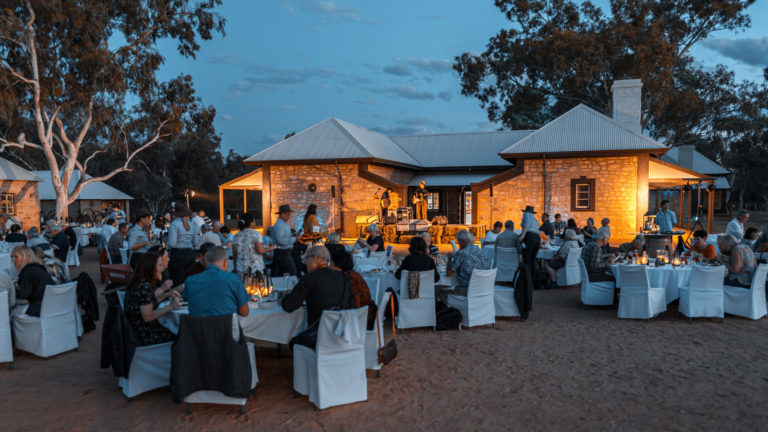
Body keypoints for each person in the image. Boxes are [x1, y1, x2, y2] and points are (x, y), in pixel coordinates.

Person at [281, 246, 352, 348]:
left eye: (307, 258)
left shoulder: (310, 278)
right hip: (343, 335)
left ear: (316, 259)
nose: (305, 262)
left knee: (294, 343)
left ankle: (310, 363)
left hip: (318, 337)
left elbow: (288, 305)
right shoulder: (344, 277)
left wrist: (286, 295)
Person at [123, 253, 179, 346]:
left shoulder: (138, 281)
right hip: (145, 335)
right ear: (150, 268)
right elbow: (148, 317)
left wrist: (168, 294)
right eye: (160, 265)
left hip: (135, 330)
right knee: (180, 334)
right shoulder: (144, 286)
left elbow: (147, 301)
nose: (163, 267)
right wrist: (170, 306)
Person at [183, 247, 250, 317]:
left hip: (197, 327)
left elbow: (187, 299)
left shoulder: (190, 281)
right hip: (226, 326)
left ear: (206, 262)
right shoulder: (233, 279)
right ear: (225, 262)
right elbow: (244, 312)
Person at [330, 249, 376, 329]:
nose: (330, 267)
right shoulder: (354, 274)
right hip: (366, 314)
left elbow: (348, 304)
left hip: (358, 320)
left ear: (338, 265)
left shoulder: (345, 278)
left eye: (331, 264)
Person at [444, 230, 492, 300]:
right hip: (484, 289)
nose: (459, 244)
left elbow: (449, 273)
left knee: (442, 291)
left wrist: (449, 259)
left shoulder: (461, 253)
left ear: (461, 241)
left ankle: (455, 310)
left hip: (468, 290)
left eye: (458, 242)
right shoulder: (482, 251)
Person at [12, 246, 54, 317]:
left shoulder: (28, 271)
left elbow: (23, 295)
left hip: (40, 309)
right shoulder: (39, 268)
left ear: (25, 257)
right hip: (51, 306)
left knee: (12, 312)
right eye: (12, 257)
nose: (13, 260)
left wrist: (14, 287)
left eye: (16, 257)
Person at [167, 204, 199, 287]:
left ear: (175, 213)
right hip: (190, 253)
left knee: (177, 281)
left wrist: (166, 245)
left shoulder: (174, 224)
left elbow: (172, 243)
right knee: (189, 281)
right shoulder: (192, 224)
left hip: (178, 255)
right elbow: (196, 242)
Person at [233, 213, 273, 280]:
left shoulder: (236, 235)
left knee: (243, 288)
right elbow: (260, 250)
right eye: (254, 221)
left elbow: (235, 254)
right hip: (254, 268)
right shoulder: (256, 234)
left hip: (240, 268)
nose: (255, 222)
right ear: (251, 223)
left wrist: (235, 267)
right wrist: (270, 249)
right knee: (256, 288)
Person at [271, 204, 298, 276]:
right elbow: (281, 241)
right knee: (292, 272)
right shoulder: (279, 225)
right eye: (288, 215)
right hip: (282, 252)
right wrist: (295, 239)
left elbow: (286, 237)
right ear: (282, 214)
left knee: (283, 273)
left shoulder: (284, 224)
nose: (289, 216)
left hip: (285, 252)